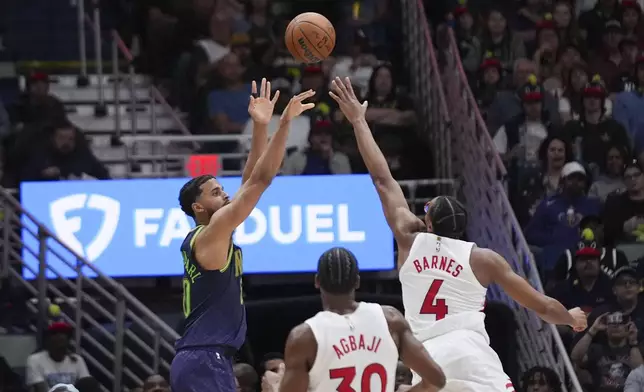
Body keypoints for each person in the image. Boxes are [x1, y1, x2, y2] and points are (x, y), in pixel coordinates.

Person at [328, 76, 588, 391]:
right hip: (472, 351)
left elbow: (382, 178)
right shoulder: (482, 258)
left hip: (428, 355)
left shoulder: (409, 241)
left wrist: (358, 121)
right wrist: (572, 317)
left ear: (429, 223)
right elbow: (544, 307)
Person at [170, 78, 315, 392]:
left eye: (223, 190)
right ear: (197, 206)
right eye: (215, 192)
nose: (225, 195)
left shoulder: (216, 231)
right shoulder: (208, 236)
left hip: (208, 359)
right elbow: (261, 180)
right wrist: (285, 123)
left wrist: (260, 126)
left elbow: (250, 177)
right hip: (203, 360)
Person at [260, 247, 446, 392]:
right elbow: (436, 379)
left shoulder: (304, 337)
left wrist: (274, 388)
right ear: (357, 281)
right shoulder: (391, 319)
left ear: (317, 281)